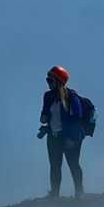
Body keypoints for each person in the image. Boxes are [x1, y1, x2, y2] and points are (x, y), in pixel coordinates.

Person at [40, 66, 86, 198]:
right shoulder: (48, 96)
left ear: (59, 81)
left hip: (69, 137)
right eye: (47, 80)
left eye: (51, 81)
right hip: (53, 136)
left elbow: (77, 118)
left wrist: (71, 137)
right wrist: (43, 117)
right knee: (55, 167)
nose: (48, 83)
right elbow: (45, 110)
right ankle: (54, 195)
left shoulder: (72, 98)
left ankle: (79, 192)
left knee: (73, 164)